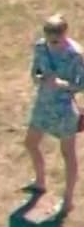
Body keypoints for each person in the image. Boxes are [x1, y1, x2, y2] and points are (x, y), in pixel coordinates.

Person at [25, 14, 84, 214]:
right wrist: (39, 78)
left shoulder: (75, 55)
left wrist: (61, 84)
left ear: (65, 34)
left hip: (64, 110)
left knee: (68, 155)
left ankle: (68, 200)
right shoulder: (41, 47)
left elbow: (81, 84)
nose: (52, 43)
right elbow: (35, 71)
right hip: (43, 105)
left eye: (56, 40)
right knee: (30, 143)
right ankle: (40, 181)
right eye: (49, 39)